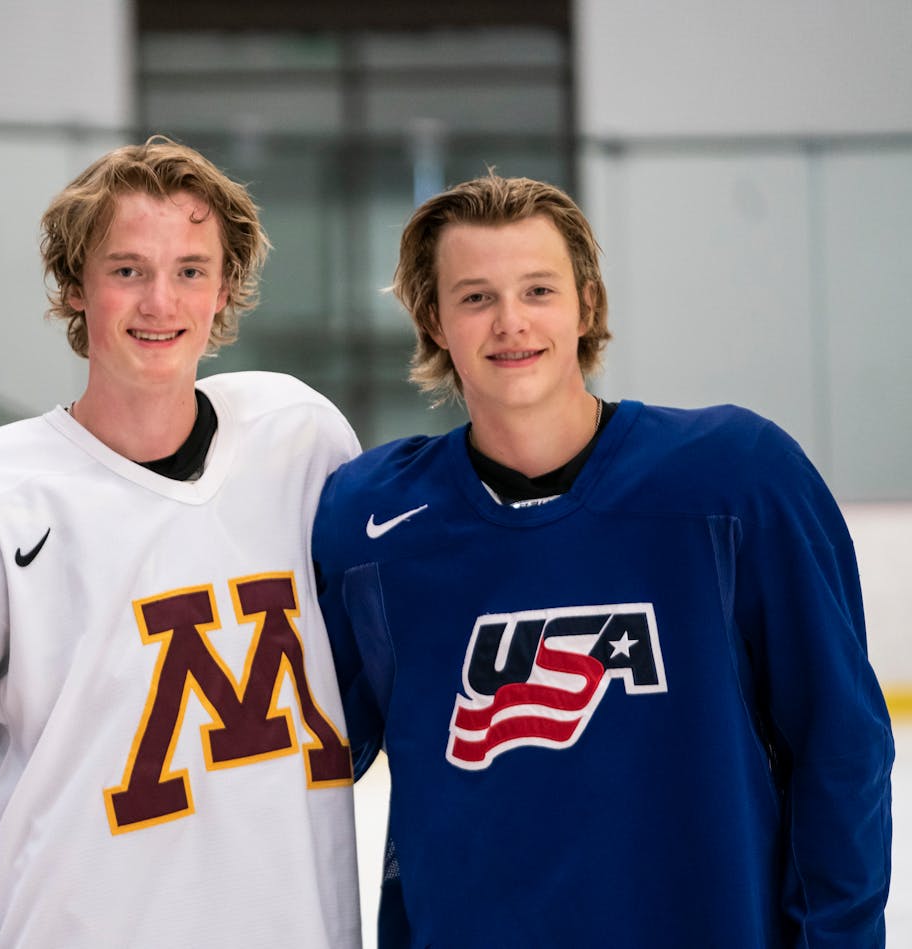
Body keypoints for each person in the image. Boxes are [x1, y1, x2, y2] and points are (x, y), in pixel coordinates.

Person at [311, 173, 894, 947]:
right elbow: (311, 756)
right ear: (434, 319)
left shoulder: (737, 479)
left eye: (539, 290)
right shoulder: (368, 521)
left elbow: (841, 743)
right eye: (476, 296)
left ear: (587, 303)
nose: (511, 322)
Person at [0, 136, 363, 948]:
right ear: (75, 286)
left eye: (191, 270)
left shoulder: (303, 441)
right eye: (127, 270)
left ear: (224, 289)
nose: (161, 301)